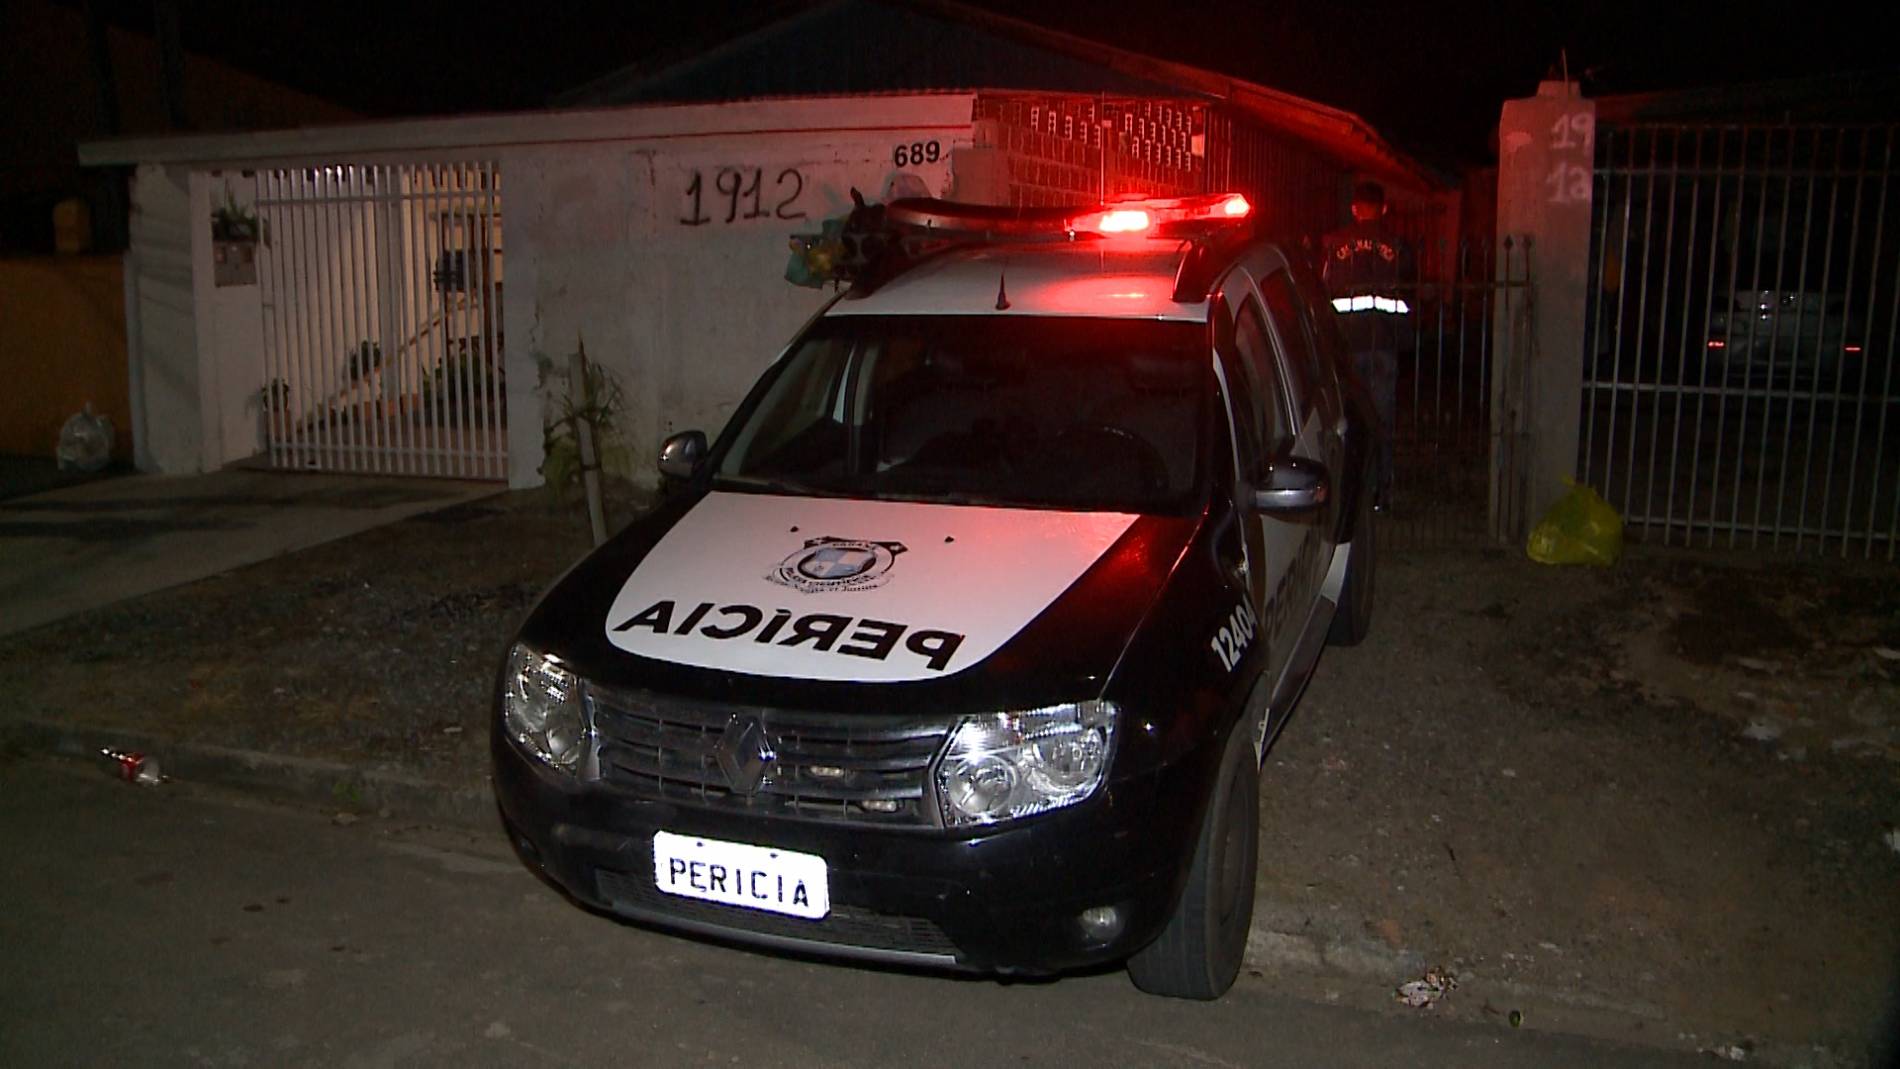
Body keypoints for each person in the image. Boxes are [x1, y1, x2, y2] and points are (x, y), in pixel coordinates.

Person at [1322, 181, 1413, 510]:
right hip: (1384, 344)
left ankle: (1347, 490)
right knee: (1382, 420)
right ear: (1384, 208)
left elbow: (1323, 294)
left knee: (1344, 420)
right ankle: (1381, 491)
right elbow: (1409, 296)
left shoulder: (1333, 244)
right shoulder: (1398, 246)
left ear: (1355, 208)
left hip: (1346, 347)